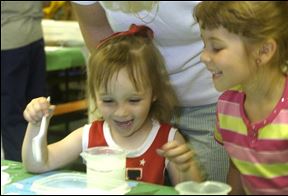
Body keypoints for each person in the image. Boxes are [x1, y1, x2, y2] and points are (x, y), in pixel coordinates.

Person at [22, 24, 203, 185]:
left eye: (133, 100)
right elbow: (38, 164)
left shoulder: (168, 140)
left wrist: (187, 167)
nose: (121, 112)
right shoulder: (88, 137)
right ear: (95, 96)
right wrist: (36, 125)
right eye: (108, 101)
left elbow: (192, 191)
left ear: (154, 92)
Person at [71, 1, 229, 182]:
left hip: (211, 100)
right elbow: (97, 29)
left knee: (207, 185)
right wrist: (130, 99)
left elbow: (244, 37)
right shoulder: (129, 106)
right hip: (139, 104)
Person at [195, 1, 288, 195]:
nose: (203, 56)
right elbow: (237, 169)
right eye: (204, 45)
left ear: (264, 51)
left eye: (216, 47)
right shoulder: (226, 106)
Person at [1, 2, 47, 161]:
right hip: (34, 36)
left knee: (12, 116)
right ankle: (39, 162)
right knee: (38, 111)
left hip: (8, 40)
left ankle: (21, 170)